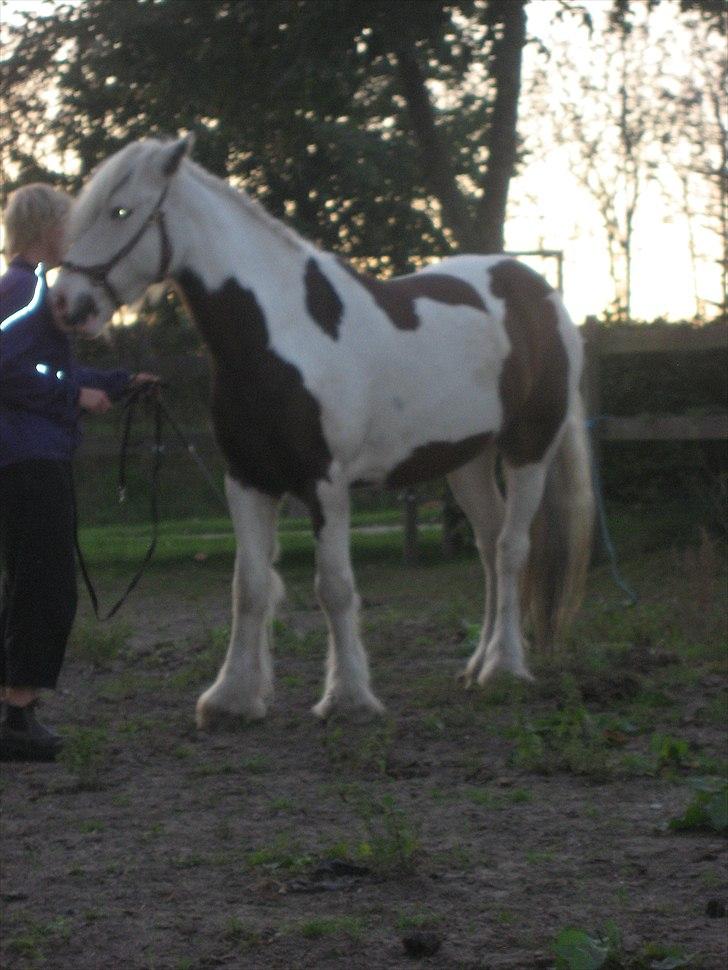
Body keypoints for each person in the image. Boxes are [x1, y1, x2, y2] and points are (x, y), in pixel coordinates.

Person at [0, 182, 157, 761]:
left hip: (27, 454)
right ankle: (18, 718)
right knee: (46, 586)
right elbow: (6, 372)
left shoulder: (30, 289)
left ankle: (12, 709)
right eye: (70, 226)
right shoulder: (25, 289)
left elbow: (42, 368)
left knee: (25, 582)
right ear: (47, 232)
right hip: (27, 456)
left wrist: (118, 384)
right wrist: (76, 399)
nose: (76, 237)